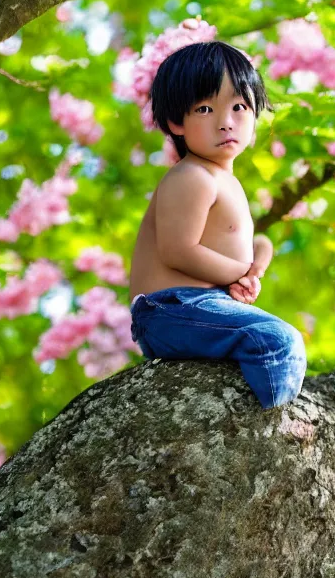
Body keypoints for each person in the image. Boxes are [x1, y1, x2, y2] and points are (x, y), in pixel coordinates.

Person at [129, 40, 307, 409]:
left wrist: (256, 262)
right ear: (177, 121)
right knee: (277, 339)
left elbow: (250, 242)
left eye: (239, 106)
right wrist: (238, 273)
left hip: (200, 306)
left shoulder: (224, 179)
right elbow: (178, 250)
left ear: (256, 113)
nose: (226, 121)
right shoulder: (192, 175)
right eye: (206, 108)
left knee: (275, 336)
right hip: (171, 309)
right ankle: (273, 424)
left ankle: (268, 406)